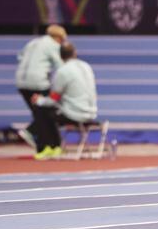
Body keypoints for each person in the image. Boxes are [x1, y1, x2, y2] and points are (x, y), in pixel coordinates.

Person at [32, 42, 98, 158]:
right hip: (92, 113)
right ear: (75, 53)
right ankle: (54, 145)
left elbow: (53, 99)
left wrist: (39, 100)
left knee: (41, 110)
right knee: (51, 110)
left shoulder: (63, 71)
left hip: (74, 114)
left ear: (60, 56)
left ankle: (52, 147)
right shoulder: (87, 66)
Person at [16, 24, 67, 159]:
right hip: (38, 83)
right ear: (58, 37)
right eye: (62, 40)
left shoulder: (33, 42)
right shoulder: (53, 45)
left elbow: (20, 57)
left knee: (39, 114)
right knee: (46, 114)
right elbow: (61, 65)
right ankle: (35, 136)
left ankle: (46, 147)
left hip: (21, 81)